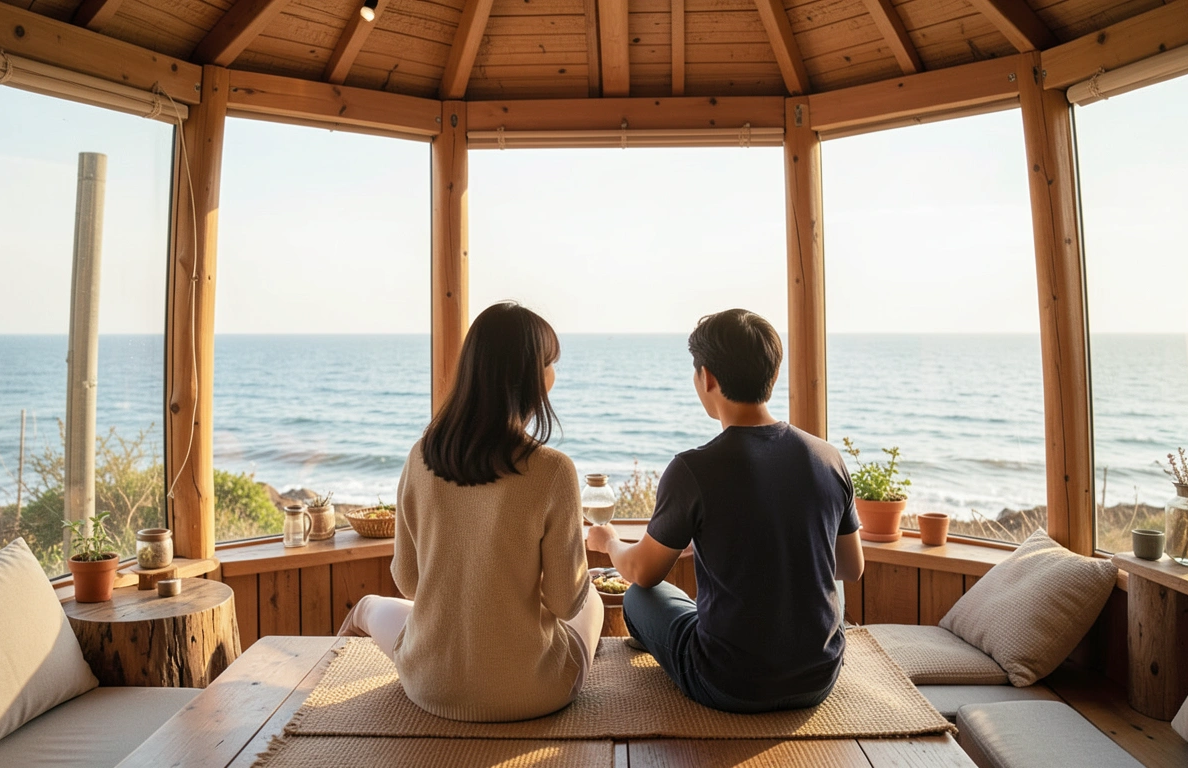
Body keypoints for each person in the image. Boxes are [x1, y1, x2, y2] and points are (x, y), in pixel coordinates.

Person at [586, 308, 865, 714]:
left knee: (640, 597)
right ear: (774, 373)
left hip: (728, 683)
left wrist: (610, 541)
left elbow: (642, 572)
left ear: (707, 377)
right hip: (818, 678)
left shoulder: (693, 469)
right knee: (824, 589)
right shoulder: (827, 457)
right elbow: (851, 567)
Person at [338, 302, 603, 722]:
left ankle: (340, 651)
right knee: (593, 600)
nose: (554, 373)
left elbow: (409, 583)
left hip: (428, 684)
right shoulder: (552, 470)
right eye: (550, 363)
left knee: (371, 606)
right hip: (533, 692)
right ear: (533, 377)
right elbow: (565, 602)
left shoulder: (420, 456)